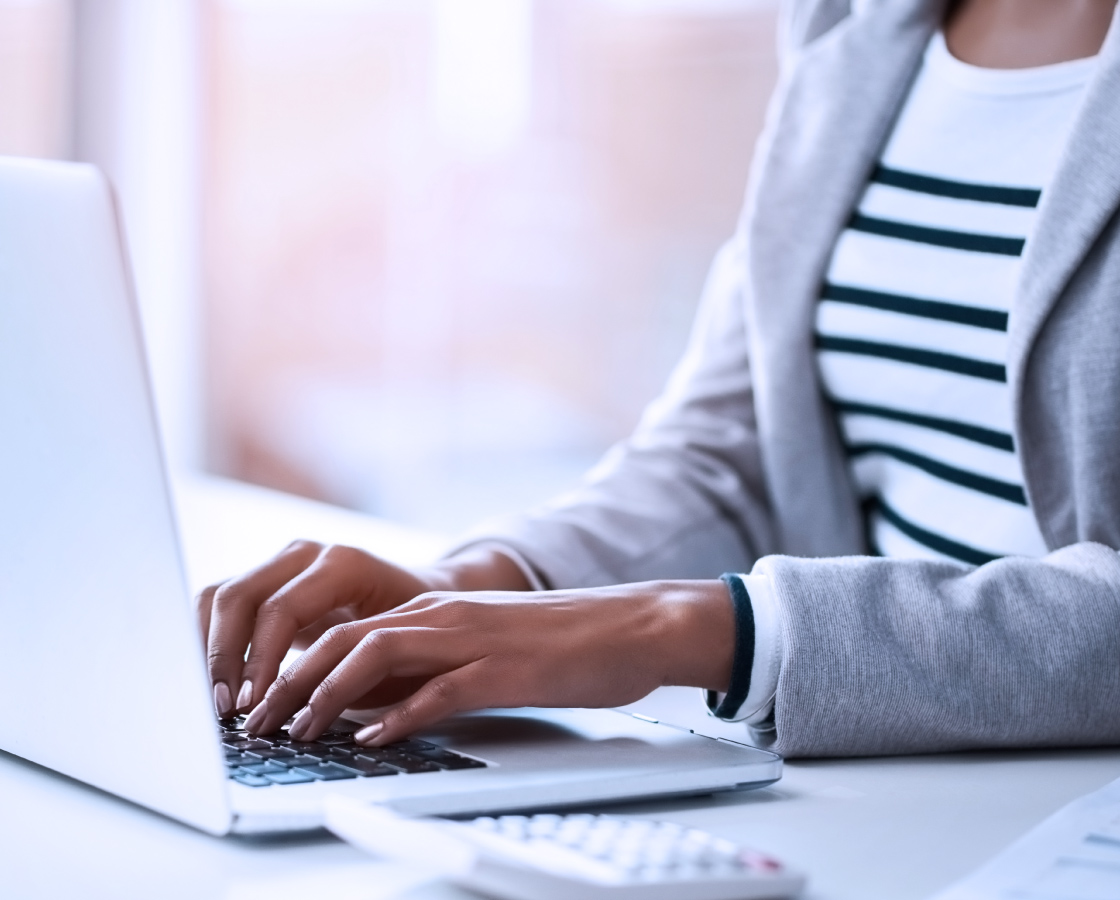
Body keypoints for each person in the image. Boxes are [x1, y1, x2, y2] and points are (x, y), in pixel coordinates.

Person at [197, 0, 1120, 758]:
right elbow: (732, 450)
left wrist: (681, 630)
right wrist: (485, 588)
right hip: (887, 778)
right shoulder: (852, 26)